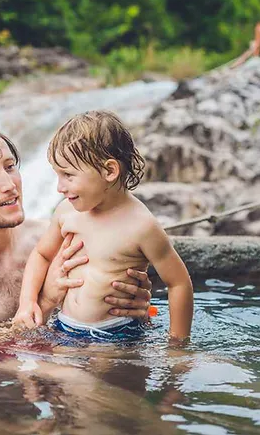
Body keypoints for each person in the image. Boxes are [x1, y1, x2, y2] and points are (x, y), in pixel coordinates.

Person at [0, 122, 153, 332]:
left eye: (9, 166)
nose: (9, 184)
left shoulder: (56, 238)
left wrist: (136, 308)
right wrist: (46, 301)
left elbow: (104, 315)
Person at [13, 110, 193, 341]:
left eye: (68, 175)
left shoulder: (141, 226)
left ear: (109, 171)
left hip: (115, 333)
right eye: (57, 175)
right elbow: (42, 254)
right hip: (64, 327)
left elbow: (178, 283)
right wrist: (27, 302)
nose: (59, 187)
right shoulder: (66, 212)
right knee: (33, 373)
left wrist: (177, 343)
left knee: (83, 377)